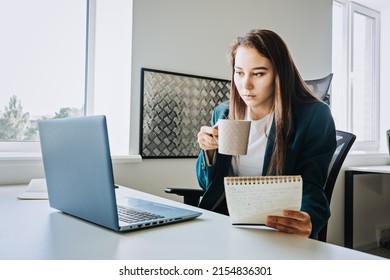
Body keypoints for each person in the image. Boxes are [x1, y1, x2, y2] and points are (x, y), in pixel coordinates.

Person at [195, 29, 336, 239]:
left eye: (258, 73)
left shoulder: (314, 116)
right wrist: (209, 153)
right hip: (225, 222)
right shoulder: (224, 113)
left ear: (280, 73)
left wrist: (309, 217)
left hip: (275, 225)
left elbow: (311, 183)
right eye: (239, 72)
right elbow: (207, 184)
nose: (245, 85)